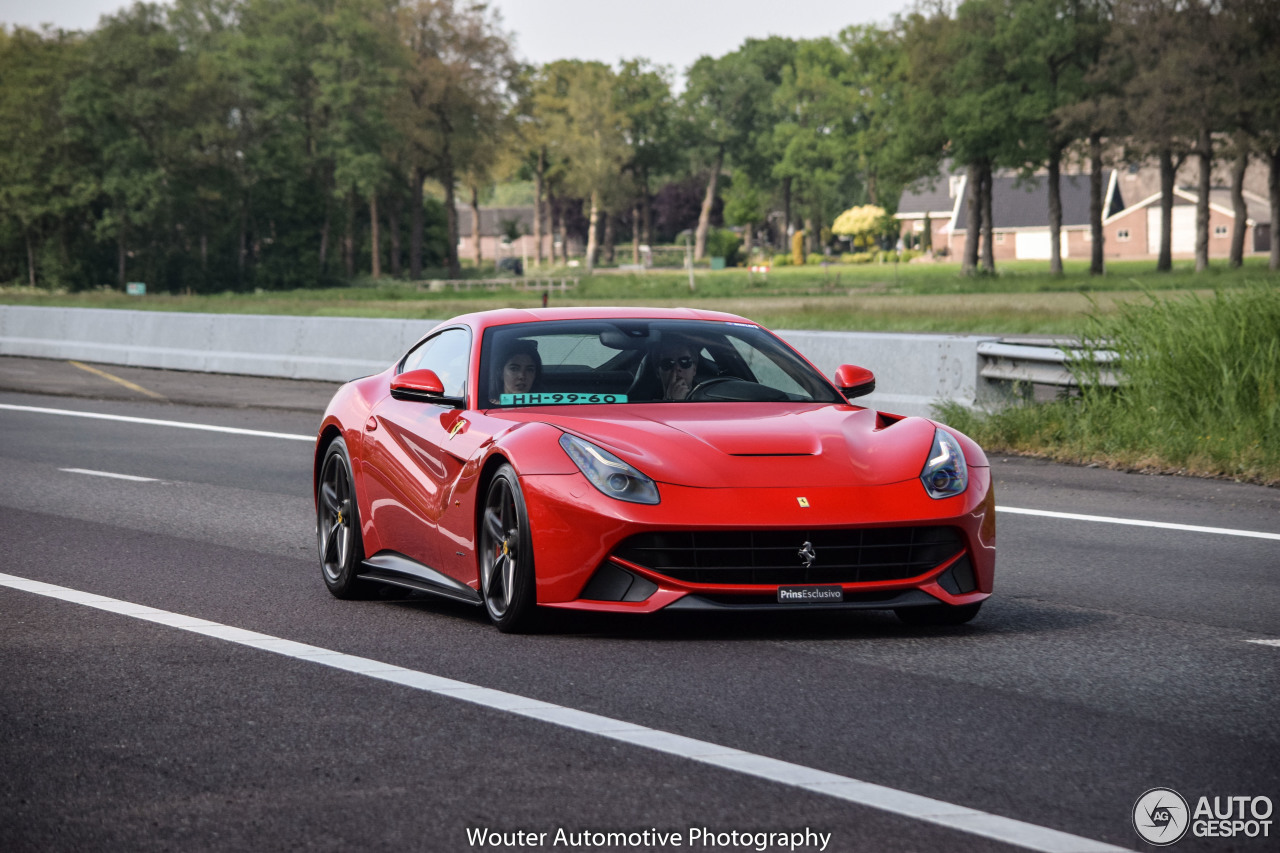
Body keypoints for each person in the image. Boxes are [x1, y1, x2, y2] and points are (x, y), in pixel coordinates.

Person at [490, 339, 541, 404]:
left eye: (529, 370)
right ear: (500, 373)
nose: (522, 376)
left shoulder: (545, 406)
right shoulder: (487, 407)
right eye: (514, 369)